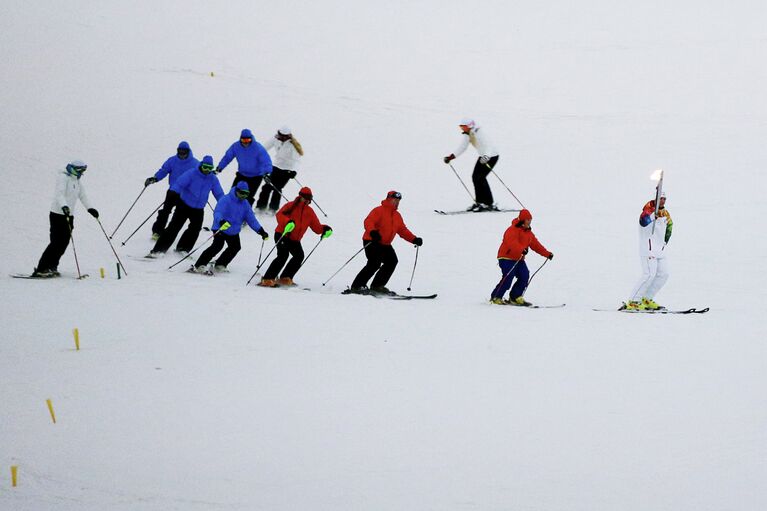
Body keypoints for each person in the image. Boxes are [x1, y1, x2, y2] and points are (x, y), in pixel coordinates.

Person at [33, 160, 100, 277]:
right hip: (57, 214)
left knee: (64, 242)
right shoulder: (63, 178)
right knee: (55, 243)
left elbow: (83, 195)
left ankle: (53, 266)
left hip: (69, 216)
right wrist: (64, 206)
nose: (82, 173)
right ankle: (41, 268)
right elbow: (59, 194)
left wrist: (90, 208)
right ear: (75, 169)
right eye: (81, 170)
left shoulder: (77, 181)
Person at [148, 155, 224, 256]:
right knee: (174, 227)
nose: (207, 170)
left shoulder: (213, 179)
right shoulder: (192, 173)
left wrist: (224, 204)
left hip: (199, 208)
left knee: (195, 229)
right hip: (184, 205)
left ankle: (183, 248)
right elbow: (179, 184)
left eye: (210, 168)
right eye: (205, 167)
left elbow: (219, 193)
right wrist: (173, 192)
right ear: (201, 165)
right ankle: (158, 250)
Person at [349, 191, 423, 294]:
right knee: (374, 263)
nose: (396, 202)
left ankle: (377, 286)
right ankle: (357, 286)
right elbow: (368, 221)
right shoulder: (379, 210)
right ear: (388, 199)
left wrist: (414, 239)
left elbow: (402, 230)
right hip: (372, 240)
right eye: (394, 200)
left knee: (392, 261)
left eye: (398, 201)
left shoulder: (397, 215)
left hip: (385, 244)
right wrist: (373, 232)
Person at [258, 187, 332, 287]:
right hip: (282, 234)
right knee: (283, 255)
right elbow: (279, 215)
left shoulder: (309, 212)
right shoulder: (290, 206)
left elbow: (316, 227)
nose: (306, 200)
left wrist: (324, 229)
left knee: (299, 256)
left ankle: (285, 277)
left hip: (295, 239)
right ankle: (267, 279)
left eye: (309, 198)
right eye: (304, 197)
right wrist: (288, 221)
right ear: (300, 196)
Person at [191, 181, 269, 273]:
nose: (244, 195)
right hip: (221, 227)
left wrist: (260, 230)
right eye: (242, 193)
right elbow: (218, 212)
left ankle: (220, 264)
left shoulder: (245, 204)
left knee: (235, 247)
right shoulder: (226, 200)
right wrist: (221, 221)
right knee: (217, 246)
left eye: (246, 193)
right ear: (236, 191)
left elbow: (251, 219)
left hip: (233, 230)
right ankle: (199, 265)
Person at [489, 209, 553, 306]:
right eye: (527, 220)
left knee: (524, 275)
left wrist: (547, 254)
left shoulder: (529, 233)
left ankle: (515, 297)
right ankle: (496, 297)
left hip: (519, 259)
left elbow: (536, 245)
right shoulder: (512, 230)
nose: (529, 222)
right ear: (522, 220)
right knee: (508, 277)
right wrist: (521, 249)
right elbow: (511, 243)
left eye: (530, 220)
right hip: (506, 258)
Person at [623, 191, 673, 311]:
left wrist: (665, 241)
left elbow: (670, 227)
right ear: (655, 199)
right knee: (649, 275)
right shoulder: (647, 211)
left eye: (664, 199)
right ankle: (634, 301)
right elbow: (643, 222)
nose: (663, 201)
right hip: (648, 249)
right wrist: (652, 217)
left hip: (660, 250)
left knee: (663, 275)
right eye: (661, 198)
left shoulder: (665, 214)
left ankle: (646, 298)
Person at [144, 141, 199, 240]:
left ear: (188, 151)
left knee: (178, 216)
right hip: (173, 191)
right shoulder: (172, 161)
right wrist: (155, 178)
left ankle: (169, 234)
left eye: (184, 152)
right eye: (180, 151)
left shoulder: (195, 163)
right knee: (165, 211)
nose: (182, 154)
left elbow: (199, 176)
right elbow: (163, 171)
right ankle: (157, 231)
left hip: (186, 194)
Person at [443, 118, 500, 211]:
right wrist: (451, 157)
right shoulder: (467, 134)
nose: (461, 128)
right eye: (460, 126)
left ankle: (489, 204)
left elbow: (488, 145)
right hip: (483, 157)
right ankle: (480, 202)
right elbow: (463, 147)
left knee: (480, 177)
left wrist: (486, 156)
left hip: (491, 156)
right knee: (475, 177)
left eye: (463, 126)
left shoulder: (479, 132)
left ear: (469, 126)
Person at [216, 128, 272, 206]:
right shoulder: (236, 146)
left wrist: (266, 172)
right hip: (241, 175)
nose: (245, 143)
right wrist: (220, 167)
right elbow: (227, 157)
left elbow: (266, 161)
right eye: (243, 140)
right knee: (233, 194)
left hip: (255, 177)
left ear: (251, 139)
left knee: (247, 197)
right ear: (240, 139)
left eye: (248, 140)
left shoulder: (257, 148)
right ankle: (230, 211)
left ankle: (245, 214)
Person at [255, 126, 303, 213]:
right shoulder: (275, 139)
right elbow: (264, 148)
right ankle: (260, 207)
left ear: (287, 136)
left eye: (283, 136)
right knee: (266, 187)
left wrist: (294, 171)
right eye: (280, 135)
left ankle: (273, 209)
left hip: (287, 170)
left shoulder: (292, 145)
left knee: (277, 188)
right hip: (275, 167)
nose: (281, 137)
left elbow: (297, 161)